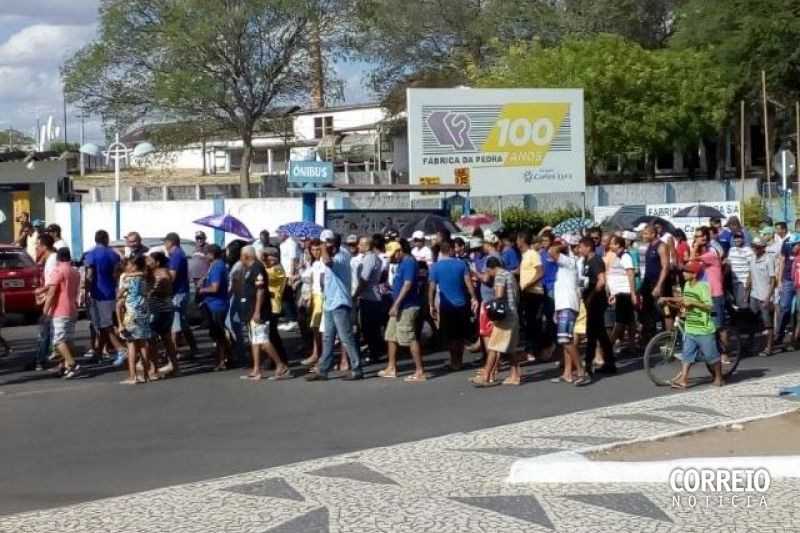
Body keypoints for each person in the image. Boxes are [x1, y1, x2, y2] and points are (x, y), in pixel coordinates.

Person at [306, 232, 364, 381]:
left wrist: (325, 247)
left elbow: (327, 261)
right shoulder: (334, 256)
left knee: (346, 337)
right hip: (330, 302)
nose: (322, 247)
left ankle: (357, 368)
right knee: (328, 338)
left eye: (325, 243)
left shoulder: (341, 257)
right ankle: (323, 370)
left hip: (340, 302)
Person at [663, 260, 723, 389]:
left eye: (687, 272)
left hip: (704, 329)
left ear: (694, 274)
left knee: (712, 357)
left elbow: (709, 305)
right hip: (691, 327)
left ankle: (719, 377)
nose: (684, 273)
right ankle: (683, 380)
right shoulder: (687, 286)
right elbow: (684, 300)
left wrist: (694, 303)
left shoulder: (703, 287)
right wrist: (669, 299)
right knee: (687, 355)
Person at [377, 238, 426, 380]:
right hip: (399, 305)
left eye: (393, 254)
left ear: (400, 251)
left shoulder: (409, 262)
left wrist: (396, 304)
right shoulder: (401, 264)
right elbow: (402, 285)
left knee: (409, 337)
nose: (391, 258)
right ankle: (391, 367)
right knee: (390, 335)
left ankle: (419, 371)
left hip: (407, 306)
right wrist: (391, 288)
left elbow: (408, 284)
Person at [428, 240, 478, 373]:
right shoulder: (461, 264)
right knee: (459, 336)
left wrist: (431, 304)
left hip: (446, 306)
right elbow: (468, 283)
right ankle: (458, 361)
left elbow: (432, 288)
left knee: (451, 336)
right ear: (450, 250)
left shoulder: (436, 267)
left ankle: (454, 362)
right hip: (461, 304)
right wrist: (474, 297)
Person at [239, 246, 288, 380]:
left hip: (259, 311)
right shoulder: (249, 268)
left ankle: (280, 366)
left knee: (263, 340)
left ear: (246, 255)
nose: (240, 257)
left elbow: (260, 290)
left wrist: (257, 311)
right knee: (255, 340)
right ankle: (256, 370)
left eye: (241, 255)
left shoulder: (257, 268)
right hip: (250, 309)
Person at [474, 256, 522, 387]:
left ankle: (486, 376)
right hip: (513, 313)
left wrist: (492, 311)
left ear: (490, 268)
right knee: (511, 348)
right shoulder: (509, 274)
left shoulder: (500, 276)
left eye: (488, 271)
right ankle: (515, 376)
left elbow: (500, 295)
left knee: (494, 347)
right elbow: (517, 294)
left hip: (505, 317)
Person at [548, 238, 589, 386]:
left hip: (568, 305)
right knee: (566, 340)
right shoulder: (564, 263)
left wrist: (561, 244)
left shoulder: (569, 261)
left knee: (565, 340)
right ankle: (567, 373)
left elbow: (552, 252)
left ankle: (581, 371)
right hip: (563, 306)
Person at [85, 230, 127, 366]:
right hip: (112, 291)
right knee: (103, 324)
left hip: (99, 293)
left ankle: (120, 349)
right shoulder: (114, 254)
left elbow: (89, 275)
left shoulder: (91, 254)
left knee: (105, 325)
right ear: (106, 239)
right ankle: (98, 353)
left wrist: (85, 291)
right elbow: (118, 272)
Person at [578, 236, 616, 375]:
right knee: (598, 335)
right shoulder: (585, 262)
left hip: (596, 303)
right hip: (589, 303)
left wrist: (592, 296)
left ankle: (589, 364)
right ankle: (608, 362)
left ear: (588, 247)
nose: (579, 249)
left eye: (581, 247)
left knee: (594, 334)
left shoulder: (596, 261)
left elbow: (601, 281)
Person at [116, 254, 156, 384]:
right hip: (144, 312)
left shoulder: (128, 278)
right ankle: (145, 374)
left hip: (132, 313)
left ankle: (133, 376)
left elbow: (119, 294)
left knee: (131, 345)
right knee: (144, 344)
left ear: (134, 265)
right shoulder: (146, 277)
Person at [690, 226, 728, 362]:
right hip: (704, 295)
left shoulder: (711, 253)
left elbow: (692, 259)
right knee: (706, 325)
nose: (697, 239)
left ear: (705, 237)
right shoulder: (703, 253)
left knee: (718, 326)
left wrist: (695, 246)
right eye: (695, 236)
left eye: (699, 236)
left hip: (715, 294)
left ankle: (724, 353)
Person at [42, 248, 81, 379]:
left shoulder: (57, 271)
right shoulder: (75, 272)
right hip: (72, 309)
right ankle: (65, 366)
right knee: (68, 339)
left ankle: (72, 364)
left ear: (58, 258)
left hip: (60, 310)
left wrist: (45, 311)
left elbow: (52, 293)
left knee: (58, 341)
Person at [164, 232, 198, 357]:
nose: (165, 245)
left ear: (170, 242)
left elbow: (172, 276)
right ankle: (193, 347)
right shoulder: (177, 254)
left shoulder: (176, 255)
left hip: (178, 292)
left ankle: (171, 352)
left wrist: (163, 287)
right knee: (182, 322)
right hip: (181, 291)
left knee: (175, 323)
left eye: (166, 242)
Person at [197, 244, 231, 371]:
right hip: (213, 303)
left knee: (218, 335)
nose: (205, 256)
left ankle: (221, 360)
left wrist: (202, 290)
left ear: (212, 254)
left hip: (217, 305)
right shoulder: (215, 266)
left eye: (206, 253)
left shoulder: (217, 266)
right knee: (218, 333)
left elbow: (215, 287)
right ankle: (229, 355)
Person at [147, 252, 180, 377]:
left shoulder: (162, 273)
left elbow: (167, 290)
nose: (147, 262)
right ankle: (175, 367)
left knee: (152, 340)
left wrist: (152, 292)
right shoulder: (152, 273)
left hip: (161, 311)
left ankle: (153, 369)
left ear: (157, 262)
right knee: (165, 339)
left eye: (150, 260)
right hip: (158, 310)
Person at [354, 234, 385, 363]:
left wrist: (355, 295)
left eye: (360, 244)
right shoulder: (374, 258)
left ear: (367, 246)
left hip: (369, 297)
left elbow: (363, 280)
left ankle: (375, 353)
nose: (358, 246)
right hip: (372, 297)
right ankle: (375, 351)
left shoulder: (369, 259)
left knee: (369, 328)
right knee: (372, 328)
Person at [30, 233, 57, 371]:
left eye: (38, 244)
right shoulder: (49, 259)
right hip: (49, 298)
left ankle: (40, 360)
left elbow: (54, 283)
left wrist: (41, 292)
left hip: (51, 300)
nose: (36, 247)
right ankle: (40, 358)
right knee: (47, 330)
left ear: (44, 246)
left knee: (44, 330)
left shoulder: (52, 260)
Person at [639, 224, 670, 343]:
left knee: (664, 311)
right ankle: (646, 340)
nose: (643, 235)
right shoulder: (649, 246)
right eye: (643, 233)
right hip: (648, 283)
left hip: (658, 283)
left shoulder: (661, 246)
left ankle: (669, 340)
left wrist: (659, 285)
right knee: (645, 311)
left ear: (653, 234)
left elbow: (665, 266)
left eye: (646, 233)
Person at [606, 235, 637, 352]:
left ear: (618, 245)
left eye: (612, 243)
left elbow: (630, 274)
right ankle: (631, 345)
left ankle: (610, 346)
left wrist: (633, 293)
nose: (610, 246)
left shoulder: (625, 256)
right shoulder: (617, 257)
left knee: (620, 320)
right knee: (629, 320)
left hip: (624, 293)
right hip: (618, 293)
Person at [746, 237, 776, 357]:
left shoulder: (768, 260)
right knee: (751, 321)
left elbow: (773, 280)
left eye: (756, 247)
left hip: (764, 295)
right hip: (754, 294)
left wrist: (768, 297)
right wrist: (746, 292)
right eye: (753, 246)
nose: (754, 249)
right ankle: (751, 344)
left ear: (762, 248)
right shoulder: (752, 258)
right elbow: (750, 275)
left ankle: (769, 347)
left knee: (767, 322)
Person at [518, 231, 544, 360]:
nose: (516, 242)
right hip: (527, 293)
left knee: (533, 322)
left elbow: (540, 272)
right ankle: (531, 349)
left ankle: (533, 350)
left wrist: (528, 284)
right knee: (529, 322)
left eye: (518, 239)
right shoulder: (524, 256)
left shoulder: (533, 254)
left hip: (534, 293)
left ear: (522, 239)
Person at [277, 230, 300, 331]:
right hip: (283, 274)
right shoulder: (283, 244)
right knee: (286, 297)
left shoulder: (291, 243)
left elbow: (293, 259)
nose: (278, 236)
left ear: (285, 233)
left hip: (288, 275)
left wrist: (291, 275)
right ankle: (290, 319)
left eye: (280, 234)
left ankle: (292, 320)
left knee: (286, 297)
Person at [727, 232, 754, 310]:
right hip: (734, 281)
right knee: (737, 303)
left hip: (744, 281)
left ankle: (746, 321)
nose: (737, 239)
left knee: (742, 303)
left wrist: (748, 283)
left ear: (743, 239)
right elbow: (729, 264)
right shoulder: (731, 250)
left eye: (739, 237)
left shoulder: (749, 250)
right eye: (735, 238)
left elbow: (751, 268)